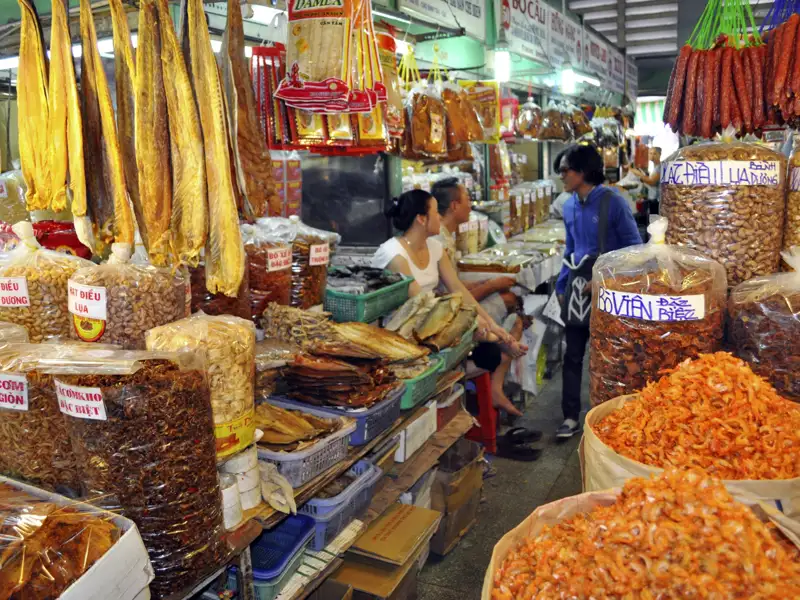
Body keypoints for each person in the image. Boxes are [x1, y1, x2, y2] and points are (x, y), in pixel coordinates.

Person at [372, 189, 528, 419]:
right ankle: (501, 344)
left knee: (491, 339)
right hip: (404, 330)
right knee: (488, 343)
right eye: (435, 212)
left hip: (434, 322)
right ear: (421, 219)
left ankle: (500, 342)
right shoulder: (395, 255)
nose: (439, 218)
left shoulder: (434, 247)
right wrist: (482, 330)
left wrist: (492, 326)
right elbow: (424, 304)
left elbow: (459, 290)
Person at [554, 144, 642, 438]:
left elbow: (634, 250)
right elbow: (570, 249)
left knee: (611, 357)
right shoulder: (568, 206)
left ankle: (612, 417)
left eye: (565, 170)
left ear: (582, 171)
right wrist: (562, 284)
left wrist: (605, 278)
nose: (562, 176)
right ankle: (569, 416)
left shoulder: (613, 203)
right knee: (573, 353)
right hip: (577, 288)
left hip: (609, 292)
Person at [630, 146, 662, 215]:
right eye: (650, 153)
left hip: (656, 199)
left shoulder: (659, 167)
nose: (652, 155)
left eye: (654, 153)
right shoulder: (654, 167)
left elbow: (652, 182)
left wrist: (639, 175)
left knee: (654, 220)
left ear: (659, 155)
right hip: (652, 198)